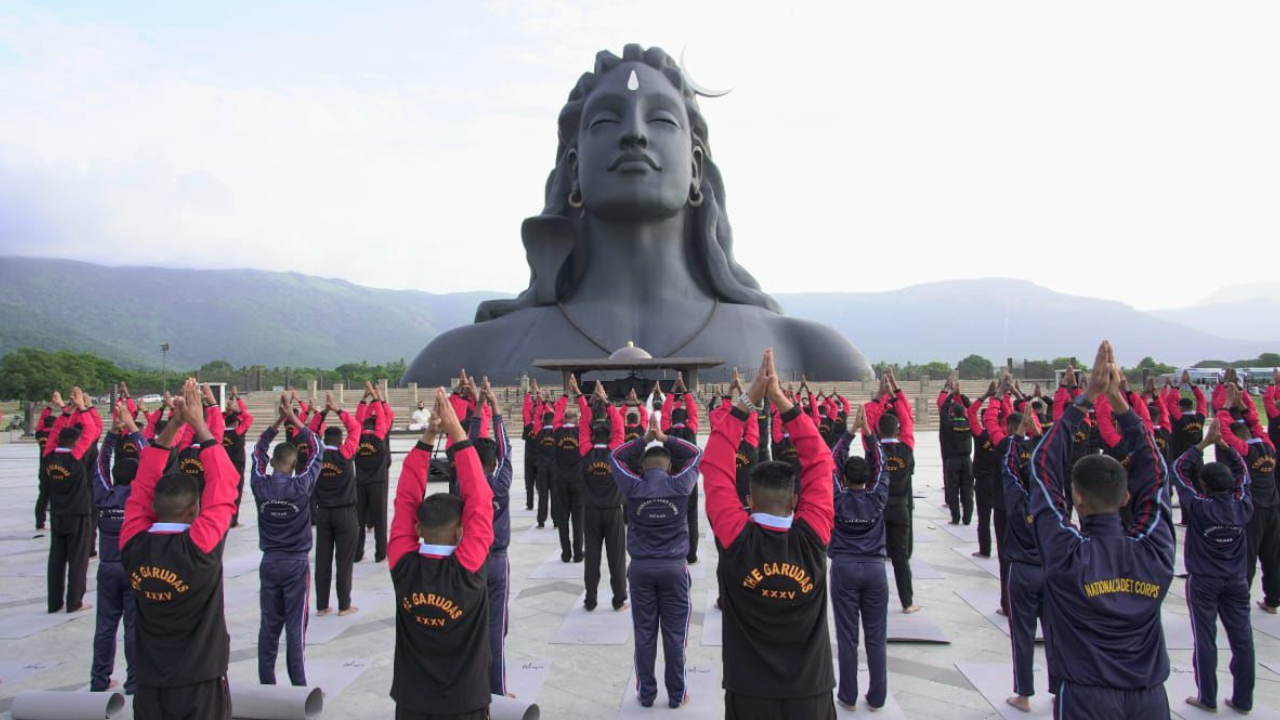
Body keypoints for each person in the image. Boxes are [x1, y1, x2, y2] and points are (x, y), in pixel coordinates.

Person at [1030, 341, 1173, 718]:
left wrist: (1088, 396)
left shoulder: (1068, 555)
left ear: (1076, 498)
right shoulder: (1154, 553)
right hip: (1150, 698)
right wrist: (1120, 402)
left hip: (1087, 698)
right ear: (1126, 497)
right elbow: (1158, 475)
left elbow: (1042, 467)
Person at [702, 349, 836, 719]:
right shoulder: (812, 537)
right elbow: (821, 463)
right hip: (810, 691)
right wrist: (780, 400)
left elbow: (713, 464)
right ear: (795, 501)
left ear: (748, 499)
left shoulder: (736, 539)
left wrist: (747, 401)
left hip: (750, 694)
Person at [120, 379, 237, 720]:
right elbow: (224, 483)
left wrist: (174, 425)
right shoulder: (199, 547)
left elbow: (142, 485)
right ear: (193, 512)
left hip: (149, 680)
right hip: (200, 680)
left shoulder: (132, 545)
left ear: (154, 508)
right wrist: (200, 424)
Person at [389, 387, 494, 720]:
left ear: (417, 530)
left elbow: (405, 498)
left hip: (412, 702)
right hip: (465, 702)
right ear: (460, 532)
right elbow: (480, 498)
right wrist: (458, 433)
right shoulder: (468, 567)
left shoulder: (402, 563)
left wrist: (429, 436)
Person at [609, 403, 703, 709]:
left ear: (644, 467)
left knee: (644, 634)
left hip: (641, 569)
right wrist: (664, 437)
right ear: (668, 466)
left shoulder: (633, 486)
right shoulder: (680, 484)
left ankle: (647, 694)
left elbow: (614, 457)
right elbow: (695, 454)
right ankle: (677, 695)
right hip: (674, 569)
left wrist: (642, 438)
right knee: (675, 637)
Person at [1171, 419, 1255, 713]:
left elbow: (1178, 469)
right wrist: (1226, 447)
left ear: (1203, 485)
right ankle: (1244, 699)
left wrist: (1204, 444)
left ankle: (1207, 697)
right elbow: (1244, 473)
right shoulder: (1242, 505)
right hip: (1236, 579)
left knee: (1205, 639)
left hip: (1204, 581)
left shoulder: (1198, 505)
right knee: (1242, 638)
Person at [250, 392, 323, 686]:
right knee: (295, 627)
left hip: (269, 561)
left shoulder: (260, 484)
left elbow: (257, 451)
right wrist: (295, 419)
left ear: (273, 463)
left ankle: (266, 682)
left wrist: (277, 423)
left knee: (269, 625)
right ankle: (298, 685)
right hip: (295, 563)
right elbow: (318, 450)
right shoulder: (301, 486)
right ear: (293, 465)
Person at [454, 376, 513, 696]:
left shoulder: (464, 484)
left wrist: (478, 409)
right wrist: (495, 410)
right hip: (497, 559)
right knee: (495, 629)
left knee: (467, 624)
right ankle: (497, 691)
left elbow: (468, 448)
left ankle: (468, 687)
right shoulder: (500, 483)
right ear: (495, 464)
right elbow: (506, 448)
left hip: (467, 560)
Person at [829, 406, 889, 711]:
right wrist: (869, 436)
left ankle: (848, 696)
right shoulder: (877, 497)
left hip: (844, 568)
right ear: (867, 478)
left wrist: (850, 431)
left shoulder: (837, 496)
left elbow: (829, 463)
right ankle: (877, 697)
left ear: (844, 476)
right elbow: (883, 466)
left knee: (847, 636)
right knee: (877, 638)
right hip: (875, 569)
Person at [90, 402, 143, 694]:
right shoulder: (138, 500)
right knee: (134, 628)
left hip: (107, 568)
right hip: (133, 569)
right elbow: (151, 460)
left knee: (105, 627)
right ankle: (134, 681)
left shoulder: (104, 495)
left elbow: (99, 465)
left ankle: (99, 679)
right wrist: (133, 431)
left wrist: (110, 436)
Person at [1216, 382, 1280, 615]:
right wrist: (1244, 406)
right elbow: (1258, 427)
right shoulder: (1269, 447)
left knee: (1247, 556)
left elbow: (1223, 432)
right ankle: (1273, 601)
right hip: (1273, 507)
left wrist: (1225, 406)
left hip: (1252, 509)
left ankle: (1239, 600)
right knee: (1273, 557)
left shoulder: (1243, 451)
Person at [40, 386, 101, 613]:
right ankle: (74, 601)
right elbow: (91, 430)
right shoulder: (76, 459)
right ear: (76, 444)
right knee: (77, 559)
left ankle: (54, 602)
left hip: (57, 513)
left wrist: (66, 411)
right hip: (78, 513)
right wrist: (82, 408)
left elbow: (55, 433)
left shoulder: (48, 458)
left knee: (56, 558)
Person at [1000, 411, 1045, 713]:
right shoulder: (1054, 502)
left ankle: (1024, 695)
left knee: (1023, 635)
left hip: (1023, 570)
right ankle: (1058, 687)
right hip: (1052, 569)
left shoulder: (1017, 499)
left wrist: (1017, 437)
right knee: (1056, 633)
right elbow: (1051, 465)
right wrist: (1036, 436)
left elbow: (1007, 466)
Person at [865, 371, 919, 613]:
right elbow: (907, 418)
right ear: (898, 432)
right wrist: (895, 390)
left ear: (878, 429)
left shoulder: (873, 448)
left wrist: (879, 396)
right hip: (900, 508)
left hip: (877, 507)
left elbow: (867, 418)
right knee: (900, 558)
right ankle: (907, 603)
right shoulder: (906, 448)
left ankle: (871, 600)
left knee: (872, 555)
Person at [312, 392, 362, 617]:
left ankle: (322, 606)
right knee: (344, 561)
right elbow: (356, 429)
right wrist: (338, 410)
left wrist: (323, 413)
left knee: (322, 560)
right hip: (345, 512)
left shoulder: (317, 455)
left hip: (323, 513)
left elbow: (310, 433)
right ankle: (344, 605)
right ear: (340, 441)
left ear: (324, 440)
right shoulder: (345, 453)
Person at [581, 382, 627, 611]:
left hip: (589, 511)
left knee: (592, 557)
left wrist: (589, 406)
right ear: (609, 435)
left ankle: (590, 599)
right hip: (613, 511)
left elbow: (582, 425)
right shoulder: (616, 452)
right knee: (616, 558)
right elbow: (619, 428)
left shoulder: (585, 450)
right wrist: (607, 404)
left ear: (591, 434)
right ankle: (619, 599)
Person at [662, 372, 702, 563]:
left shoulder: (666, 432)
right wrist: (683, 389)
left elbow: (663, 412)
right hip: (690, 481)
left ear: (671, 420)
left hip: (671, 481)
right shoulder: (691, 430)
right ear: (686, 419)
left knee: (672, 516)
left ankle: (672, 550)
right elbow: (694, 411)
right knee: (692, 517)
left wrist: (672, 391)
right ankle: (691, 554)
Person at [551, 377, 589, 562]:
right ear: (576, 421)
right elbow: (587, 414)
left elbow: (557, 413)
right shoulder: (580, 433)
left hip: (560, 481)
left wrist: (566, 393)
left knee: (563, 520)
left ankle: (566, 553)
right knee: (578, 519)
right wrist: (578, 392)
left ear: (564, 420)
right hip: (578, 480)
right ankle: (578, 553)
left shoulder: (557, 432)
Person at [355, 382, 393, 563]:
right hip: (378, 481)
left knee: (358, 519)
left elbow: (355, 421)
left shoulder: (357, 438)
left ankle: (357, 552)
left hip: (360, 482)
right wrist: (377, 398)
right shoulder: (380, 435)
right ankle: (380, 553)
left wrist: (364, 400)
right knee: (380, 519)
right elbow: (384, 418)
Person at [938, 377, 975, 525]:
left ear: (952, 413)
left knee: (953, 489)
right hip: (967, 460)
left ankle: (955, 517)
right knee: (967, 490)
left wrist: (952, 393)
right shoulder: (969, 423)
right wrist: (960, 394)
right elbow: (971, 408)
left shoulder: (948, 425)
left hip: (952, 461)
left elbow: (943, 409)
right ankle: (967, 518)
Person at [221, 386, 254, 527]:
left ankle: (222, 518)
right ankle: (233, 520)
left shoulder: (218, 433)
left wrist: (229, 405)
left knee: (223, 492)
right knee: (236, 492)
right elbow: (248, 417)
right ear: (236, 422)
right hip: (237, 464)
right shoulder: (238, 432)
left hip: (222, 465)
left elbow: (218, 417)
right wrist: (237, 401)